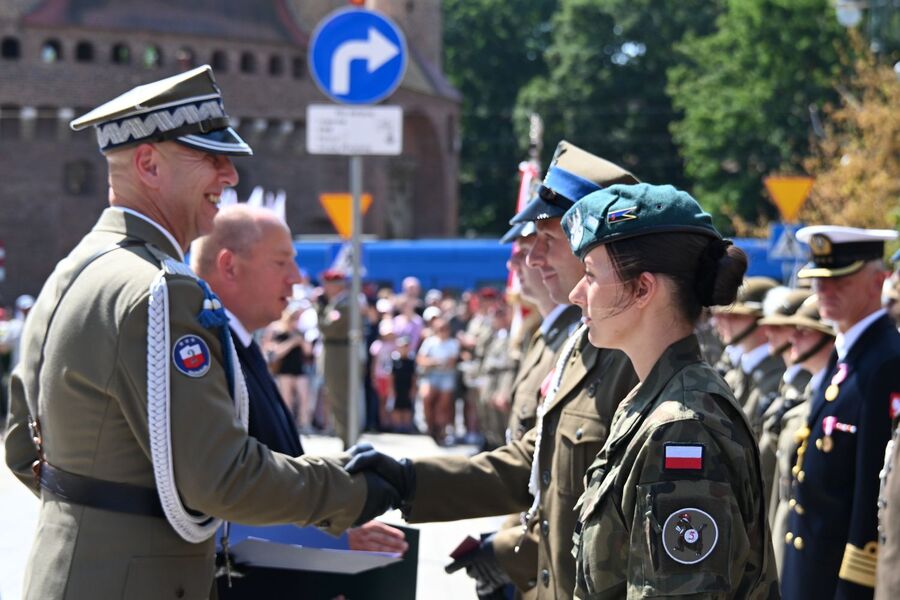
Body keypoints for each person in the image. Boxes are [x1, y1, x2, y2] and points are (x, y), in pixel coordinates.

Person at [3, 66, 397, 599]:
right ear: (148, 164)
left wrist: (100, 511)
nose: (229, 175)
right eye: (210, 157)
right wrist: (353, 489)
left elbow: (23, 452)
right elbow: (220, 479)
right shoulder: (161, 289)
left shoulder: (74, 269)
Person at [346, 141, 640, 600]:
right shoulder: (583, 344)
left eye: (548, 242)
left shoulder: (629, 356)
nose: (532, 259)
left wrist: (511, 551)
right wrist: (409, 480)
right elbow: (535, 466)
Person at [560, 182, 778, 598]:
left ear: (642, 289)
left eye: (590, 275)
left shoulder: (681, 428)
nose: (576, 293)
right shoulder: (654, 402)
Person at [192, 204, 408, 597]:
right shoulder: (209, 356)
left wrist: (331, 544)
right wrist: (332, 546)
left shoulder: (236, 345)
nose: (296, 278)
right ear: (229, 265)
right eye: (282, 263)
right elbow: (217, 505)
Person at [776, 226, 900, 599]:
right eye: (818, 281)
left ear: (880, 279)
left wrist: (855, 586)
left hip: (837, 579)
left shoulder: (886, 361)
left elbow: (871, 491)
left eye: (840, 281)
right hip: (810, 565)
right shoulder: (846, 351)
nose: (824, 292)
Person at [768, 294, 834, 576]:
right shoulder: (807, 399)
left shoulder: (831, 404)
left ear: (829, 340)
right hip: (784, 538)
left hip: (813, 555)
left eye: (805, 331)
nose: (792, 337)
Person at [711, 276, 785, 439]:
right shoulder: (736, 371)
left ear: (764, 320)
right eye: (721, 314)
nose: (721, 321)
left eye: (735, 316)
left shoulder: (778, 377)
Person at [262, 303, 314, 431]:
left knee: (304, 397)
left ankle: (304, 424)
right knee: (287, 399)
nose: (295, 321)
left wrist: (302, 341)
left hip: (299, 368)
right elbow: (275, 352)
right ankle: (288, 425)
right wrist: (292, 342)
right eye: (293, 318)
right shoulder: (277, 331)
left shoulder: (300, 332)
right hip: (283, 369)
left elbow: (308, 352)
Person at [416, 316, 460, 444]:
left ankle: (440, 430)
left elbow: (451, 363)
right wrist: (434, 362)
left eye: (445, 328)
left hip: (446, 375)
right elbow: (421, 359)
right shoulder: (430, 342)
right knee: (427, 397)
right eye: (440, 329)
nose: (443, 331)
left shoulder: (452, 343)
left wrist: (437, 363)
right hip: (431, 375)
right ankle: (430, 426)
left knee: (443, 405)